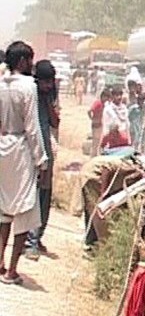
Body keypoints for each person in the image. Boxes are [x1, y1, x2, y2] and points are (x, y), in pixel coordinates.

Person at [0, 41, 47, 285]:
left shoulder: (1, 84)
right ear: (22, 62)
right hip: (20, 150)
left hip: (2, 148)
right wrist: (42, 159)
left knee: (4, 210)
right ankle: (12, 271)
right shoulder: (29, 87)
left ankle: (0, 261)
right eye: (30, 60)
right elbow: (32, 127)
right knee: (24, 210)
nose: (32, 65)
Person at [25, 60, 60, 260]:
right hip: (30, 151)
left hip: (46, 150)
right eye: (45, 83)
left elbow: (55, 122)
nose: (48, 86)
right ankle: (29, 241)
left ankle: (36, 238)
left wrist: (49, 102)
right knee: (31, 196)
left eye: (50, 83)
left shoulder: (49, 97)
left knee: (44, 196)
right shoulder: (30, 94)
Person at [88, 89, 111, 158]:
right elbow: (89, 111)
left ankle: (95, 156)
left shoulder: (104, 104)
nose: (107, 99)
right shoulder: (98, 103)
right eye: (106, 97)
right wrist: (92, 118)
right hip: (96, 124)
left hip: (100, 124)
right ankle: (92, 157)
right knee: (95, 142)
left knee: (98, 142)